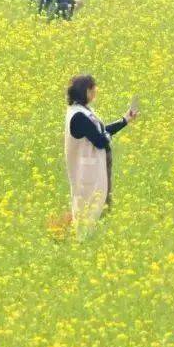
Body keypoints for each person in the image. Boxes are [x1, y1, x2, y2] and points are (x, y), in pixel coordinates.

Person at [63, 74, 139, 238]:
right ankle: (83, 241)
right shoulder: (78, 117)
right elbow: (99, 140)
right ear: (87, 91)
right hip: (86, 172)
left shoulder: (83, 111)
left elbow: (101, 132)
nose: (95, 92)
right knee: (88, 208)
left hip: (92, 169)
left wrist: (124, 120)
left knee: (97, 205)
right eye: (93, 89)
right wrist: (105, 137)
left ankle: (92, 239)